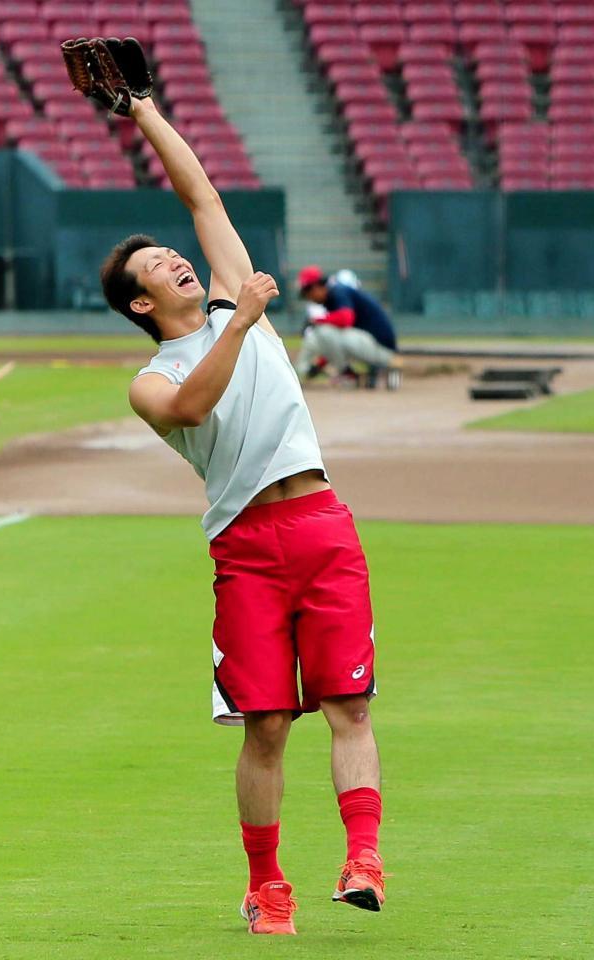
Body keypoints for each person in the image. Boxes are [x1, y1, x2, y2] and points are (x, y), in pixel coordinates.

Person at [97, 78, 385, 934]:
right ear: (142, 304)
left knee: (352, 706)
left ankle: (362, 860)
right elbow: (193, 409)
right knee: (264, 725)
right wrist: (239, 319)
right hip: (248, 544)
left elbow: (200, 192)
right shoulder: (154, 380)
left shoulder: (231, 294)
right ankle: (267, 887)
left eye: (170, 254)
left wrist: (141, 108)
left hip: (322, 520)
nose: (176, 259)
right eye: (155, 268)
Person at [296, 266, 401, 389]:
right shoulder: (333, 296)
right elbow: (334, 344)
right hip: (372, 345)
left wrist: (316, 321)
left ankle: (348, 375)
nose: (309, 299)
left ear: (315, 288)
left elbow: (346, 318)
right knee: (322, 334)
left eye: (307, 294)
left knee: (322, 331)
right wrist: (320, 365)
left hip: (382, 350)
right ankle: (351, 373)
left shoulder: (338, 292)